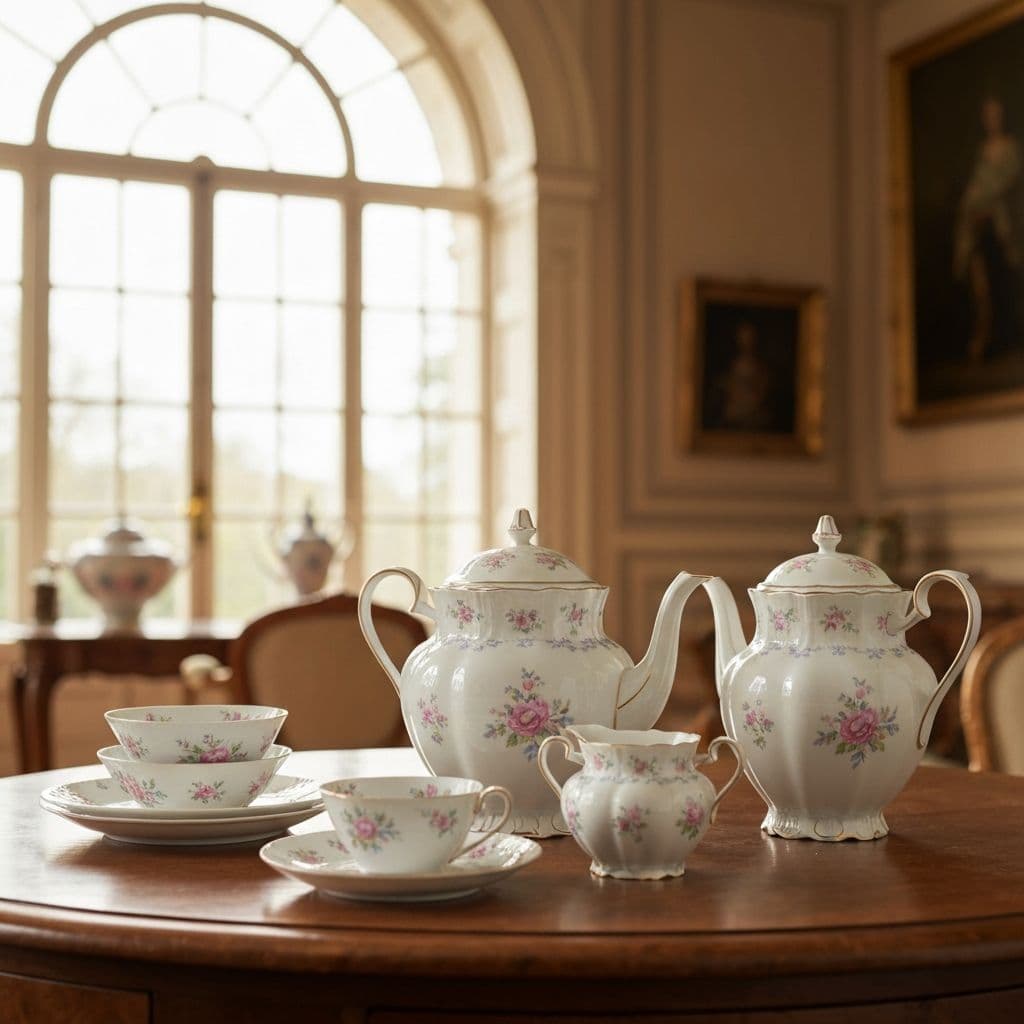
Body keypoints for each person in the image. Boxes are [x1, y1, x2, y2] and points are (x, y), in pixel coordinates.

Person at [954, 94, 1023, 361]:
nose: (991, 119)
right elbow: (977, 187)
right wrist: (974, 203)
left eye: (995, 113)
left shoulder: (1011, 148)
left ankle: (1004, 338)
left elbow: (1006, 184)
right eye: (987, 115)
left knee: (1003, 282)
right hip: (979, 226)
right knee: (980, 286)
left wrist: (985, 200)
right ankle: (982, 339)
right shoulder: (981, 150)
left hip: (1001, 226)